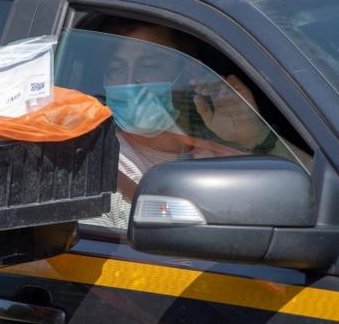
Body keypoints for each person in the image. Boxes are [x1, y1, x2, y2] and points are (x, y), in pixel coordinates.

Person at [71, 15, 301, 230]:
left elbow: (324, 197)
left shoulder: (226, 149)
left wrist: (259, 137)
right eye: (116, 68)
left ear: (189, 71)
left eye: (149, 65)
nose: (130, 82)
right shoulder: (93, 165)